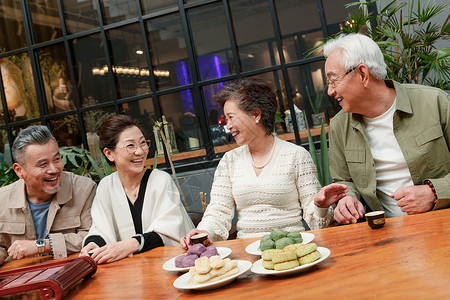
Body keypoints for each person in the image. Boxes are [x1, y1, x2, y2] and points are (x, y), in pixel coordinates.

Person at [180, 77, 346, 248]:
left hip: (291, 250)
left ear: (256, 115)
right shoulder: (229, 161)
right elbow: (218, 212)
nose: (228, 126)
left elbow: (317, 221)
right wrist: (204, 231)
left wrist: (319, 205)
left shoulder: (296, 155)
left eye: (231, 117)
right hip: (248, 252)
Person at [320, 33, 450, 224]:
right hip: (384, 237)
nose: (330, 91)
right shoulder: (340, 126)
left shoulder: (435, 102)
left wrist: (434, 192)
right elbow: (344, 182)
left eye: (333, 80)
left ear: (363, 74)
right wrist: (348, 198)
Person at [80, 115, 194, 264]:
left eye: (142, 143)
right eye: (130, 146)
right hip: (128, 273)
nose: (140, 152)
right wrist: (92, 245)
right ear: (109, 154)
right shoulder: (106, 186)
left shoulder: (161, 180)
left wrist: (130, 245)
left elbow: (168, 232)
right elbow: (101, 229)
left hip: (169, 265)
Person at [0, 125, 96, 265]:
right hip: (24, 278)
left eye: (57, 159)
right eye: (43, 164)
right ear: (19, 171)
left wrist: (42, 245)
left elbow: (92, 236)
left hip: (72, 274)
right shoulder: (2, 199)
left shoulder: (84, 189)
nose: (54, 170)